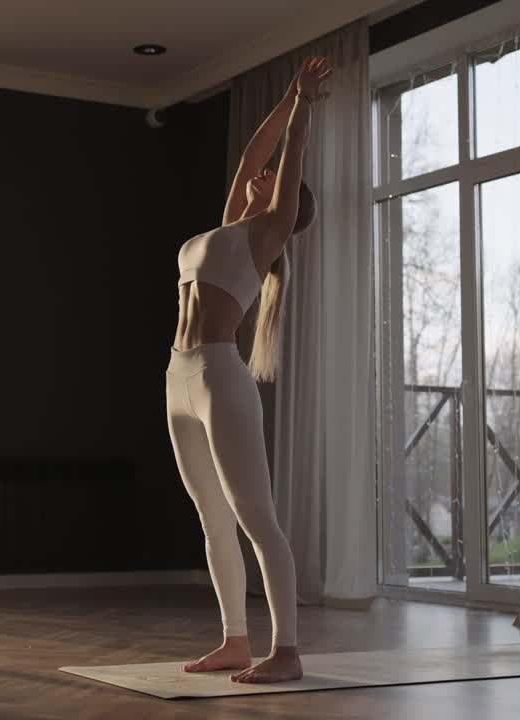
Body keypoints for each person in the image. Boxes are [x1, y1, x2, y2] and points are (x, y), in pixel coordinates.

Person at [166, 55, 330, 684]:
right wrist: (289, 93)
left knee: (255, 515)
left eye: (271, 178)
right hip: (179, 377)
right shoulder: (231, 224)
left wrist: (307, 107)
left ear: (286, 205)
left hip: (218, 378)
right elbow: (246, 161)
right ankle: (235, 641)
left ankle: (285, 649)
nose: (258, 176)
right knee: (212, 518)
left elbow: (284, 163)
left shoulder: (267, 233)